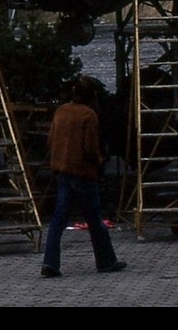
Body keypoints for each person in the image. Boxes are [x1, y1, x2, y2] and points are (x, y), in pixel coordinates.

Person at [40, 75, 126, 277]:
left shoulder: (61, 111)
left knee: (58, 221)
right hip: (83, 174)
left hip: (62, 171)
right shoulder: (89, 115)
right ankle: (106, 261)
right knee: (95, 220)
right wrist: (99, 160)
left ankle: (50, 263)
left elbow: (51, 140)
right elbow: (90, 147)